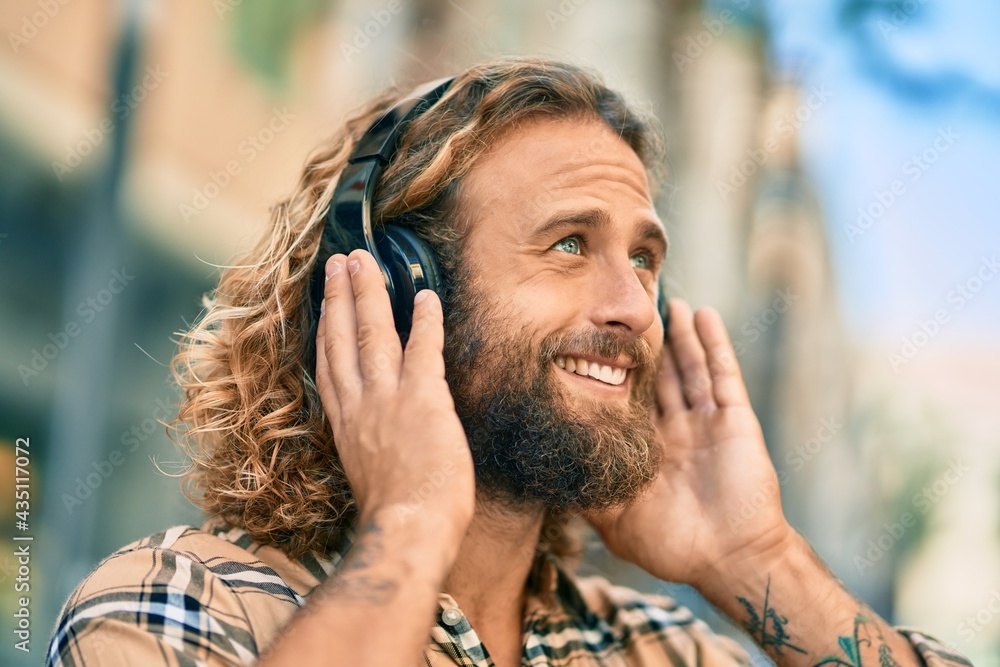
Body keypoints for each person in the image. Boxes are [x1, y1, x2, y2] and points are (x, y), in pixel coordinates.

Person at [47, 57, 972, 667]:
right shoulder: (176, 601)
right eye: (570, 243)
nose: (633, 305)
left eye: (644, 259)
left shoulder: (663, 647)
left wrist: (753, 556)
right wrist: (411, 523)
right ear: (398, 288)